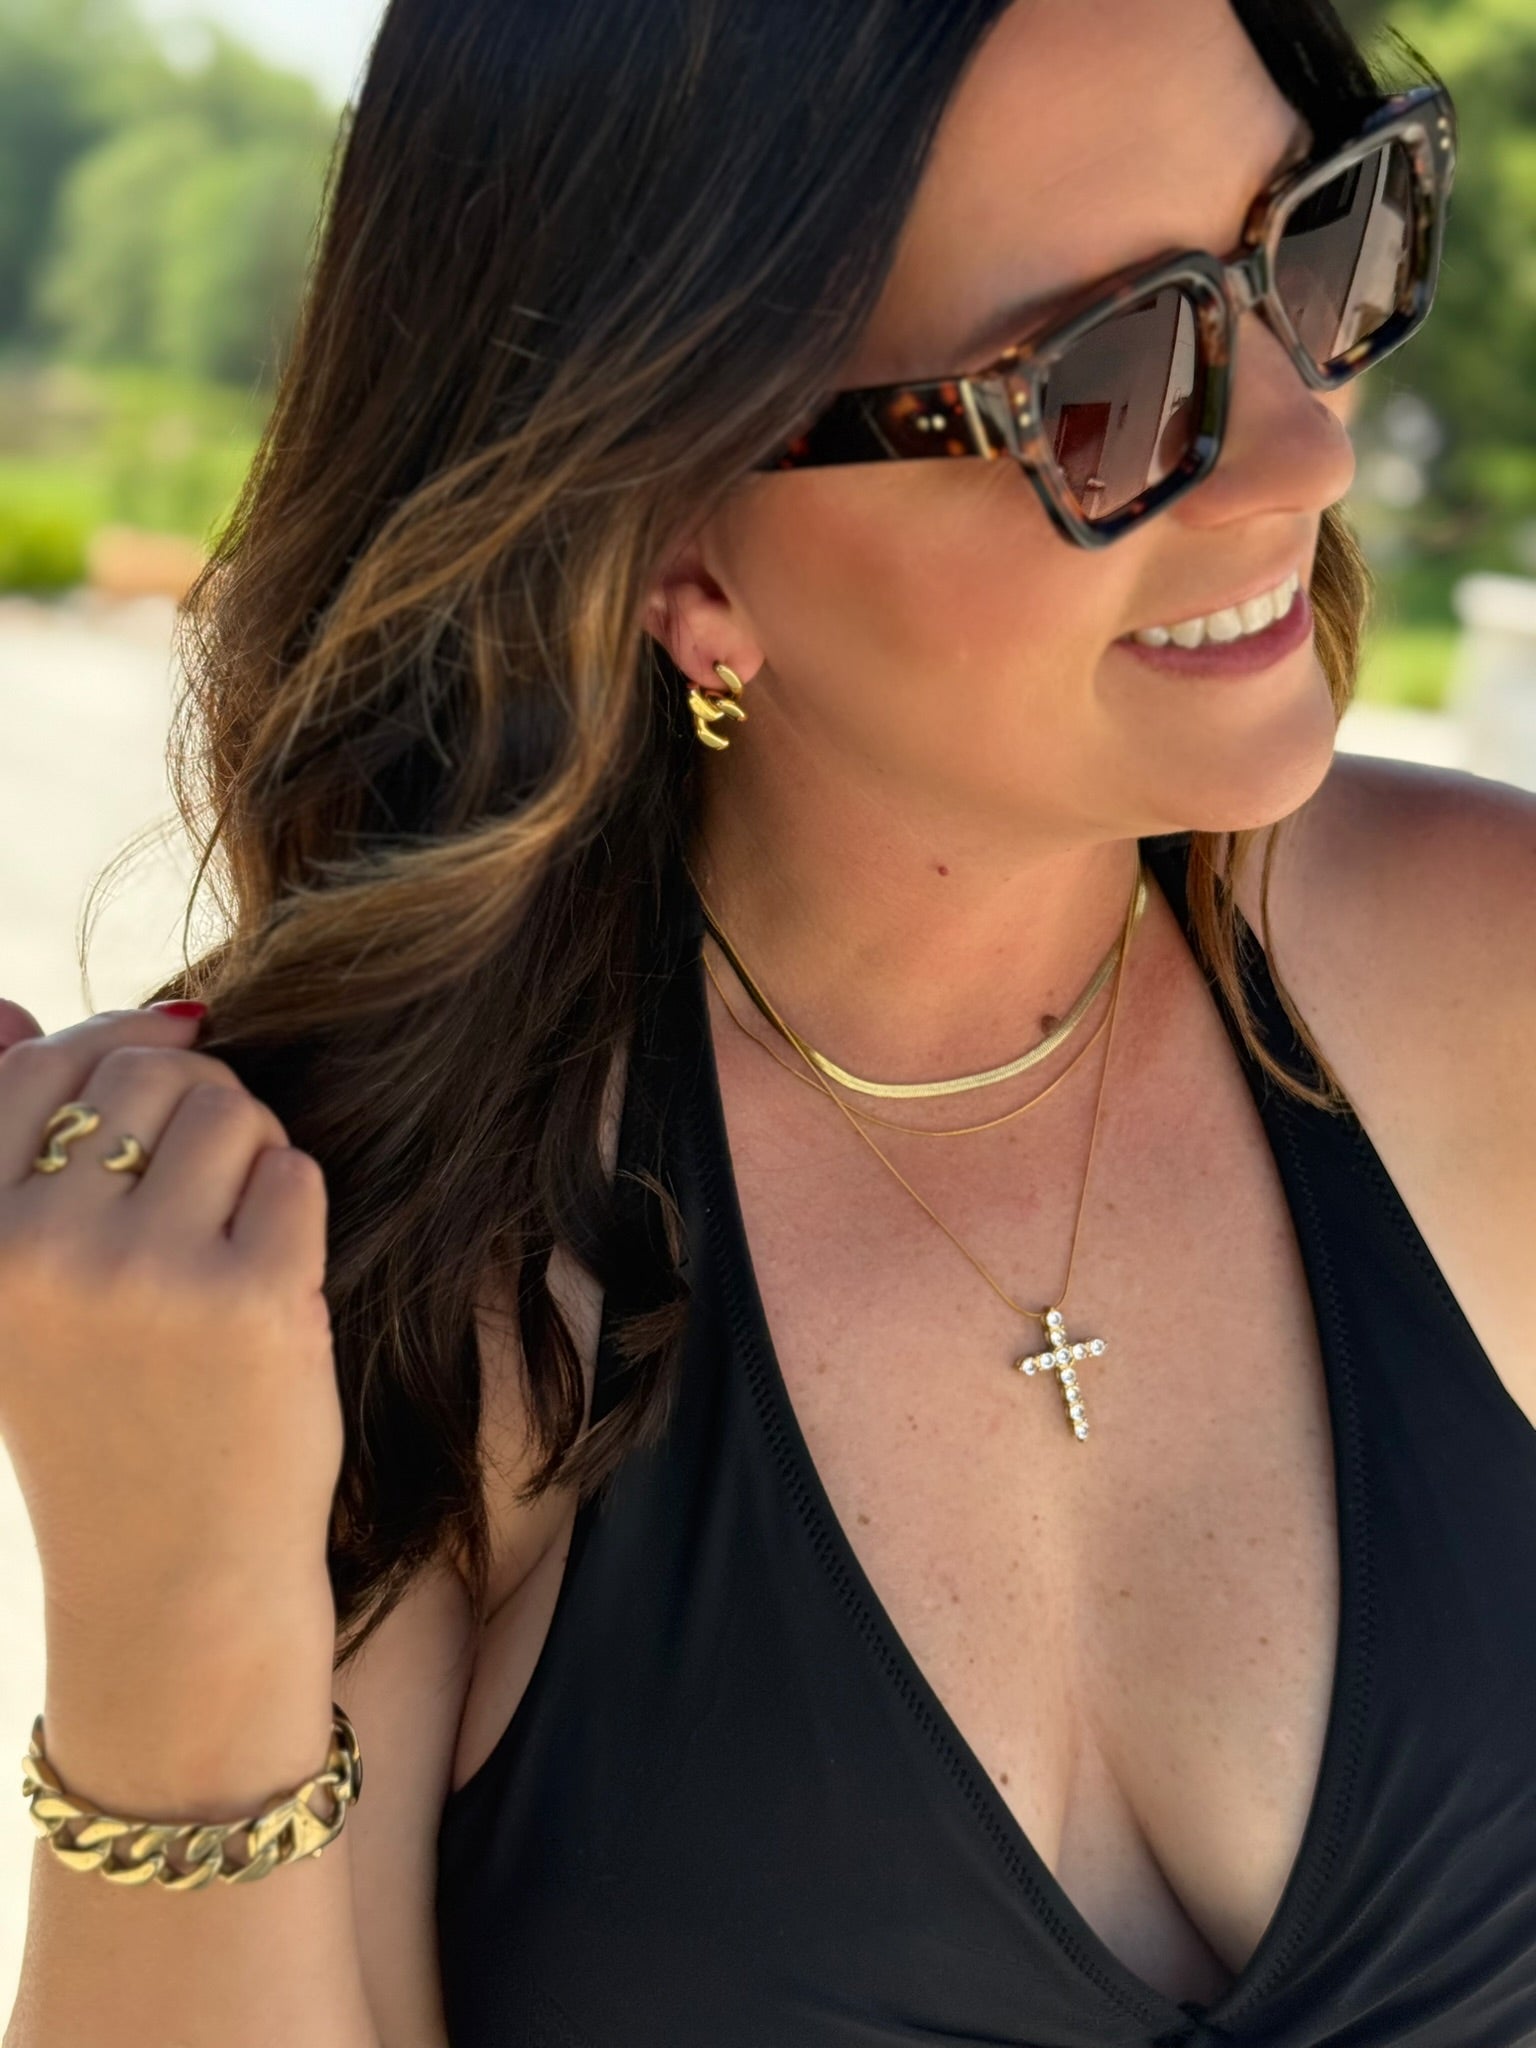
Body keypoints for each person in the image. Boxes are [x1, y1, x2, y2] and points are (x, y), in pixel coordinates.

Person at [2, 0, 1532, 2044]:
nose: (1311, 444)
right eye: (1102, 378)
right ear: (678, 550)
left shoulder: (1499, 985)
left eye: (1314, 241)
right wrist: (172, 1606)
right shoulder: (381, 1256)